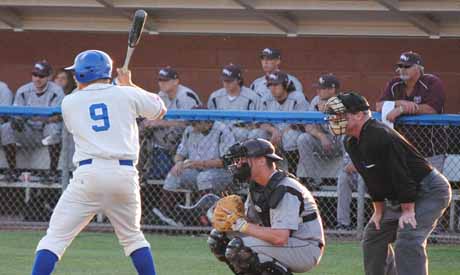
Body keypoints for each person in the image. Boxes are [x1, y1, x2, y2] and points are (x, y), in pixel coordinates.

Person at [30, 50, 166, 275]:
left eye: (77, 73)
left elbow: (95, 98)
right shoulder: (125, 94)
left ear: (83, 75)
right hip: (124, 175)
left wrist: (122, 88)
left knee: (54, 239)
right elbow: (159, 110)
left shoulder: (69, 102)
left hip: (89, 175)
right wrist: (129, 84)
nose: (75, 77)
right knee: (133, 239)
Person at [324, 92, 451, 275]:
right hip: (402, 193)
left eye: (340, 115)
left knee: (408, 238)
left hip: (428, 190)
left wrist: (408, 211)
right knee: (374, 236)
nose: (334, 119)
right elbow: (371, 177)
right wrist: (379, 211)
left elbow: (400, 174)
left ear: (359, 115)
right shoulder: (351, 141)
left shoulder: (379, 134)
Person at [208, 138, 324, 275]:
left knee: (240, 248)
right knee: (219, 238)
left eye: (243, 159)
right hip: (287, 242)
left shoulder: (285, 188)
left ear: (262, 160)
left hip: (305, 247)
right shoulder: (257, 185)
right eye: (237, 160)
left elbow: (280, 237)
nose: (238, 164)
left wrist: (240, 225)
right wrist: (229, 218)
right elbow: (250, 223)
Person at [153, 107, 236, 226]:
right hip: (196, 172)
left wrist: (198, 163)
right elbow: (179, 154)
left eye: (195, 123)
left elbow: (226, 161)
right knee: (174, 174)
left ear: (206, 122)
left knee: (204, 177)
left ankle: (204, 218)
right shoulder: (189, 130)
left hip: (222, 174)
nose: (192, 126)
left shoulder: (222, 130)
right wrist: (178, 163)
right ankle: (167, 214)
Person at [376, 51, 447, 172]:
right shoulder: (395, 84)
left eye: (407, 66)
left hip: (431, 150)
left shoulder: (432, 82)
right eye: (400, 66)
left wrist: (402, 110)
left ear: (418, 68)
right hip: (404, 149)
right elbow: (378, 106)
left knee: (431, 188)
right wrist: (399, 103)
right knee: (406, 188)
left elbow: (432, 109)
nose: (402, 69)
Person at [1, 60, 65, 182]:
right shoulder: (23, 90)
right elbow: (16, 115)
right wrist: (20, 120)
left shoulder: (56, 91)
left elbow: (57, 117)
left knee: (52, 127)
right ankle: (12, 171)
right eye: (35, 75)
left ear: (49, 77)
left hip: (45, 133)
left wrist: (32, 117)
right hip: (28, 132)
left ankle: (52, 172)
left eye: (41, 76)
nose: (37, 79)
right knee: (6, 128)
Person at [139, 67, 201, 180]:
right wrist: (148, 122)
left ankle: (155, 174)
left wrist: (159, 123)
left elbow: (190, 124)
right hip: (166, 137)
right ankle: (142, 174)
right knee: (143, 131)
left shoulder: (186, 96)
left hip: (187, 137)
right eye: (160, 80)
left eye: (165, 80)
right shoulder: (161, 95)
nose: (162, 83)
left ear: (176, 81)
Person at [258, 70, 309, 174]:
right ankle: (262, 173)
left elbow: (303, 123)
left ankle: (293, 173)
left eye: (276, 85)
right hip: (274, 136)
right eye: (270, 85)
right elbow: (260, 122)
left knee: (290, 136)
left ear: (285, 85)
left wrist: (284, 131)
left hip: (291, 135)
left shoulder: (297, 97)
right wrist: (273, 130)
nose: (272, 88)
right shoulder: (266, 98)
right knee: (258, 134)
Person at [296, 74, 343, 189]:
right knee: (303, 138)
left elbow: (344, 128)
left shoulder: (343, 101)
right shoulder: (316, 101)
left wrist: (329, 112)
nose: (318, 91)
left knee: (347, 138)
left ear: (332, 89)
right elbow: (307, 125)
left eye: (322, 88)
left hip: (340, 141)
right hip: (322, 141)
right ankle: (313, 181)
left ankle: (348, 180)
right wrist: (321, 136)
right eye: (318, 88)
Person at [208, 63, 262, 142]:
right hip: (220, 137)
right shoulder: (215, 97)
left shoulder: (252, 97)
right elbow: (209, 122)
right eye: (224, 80)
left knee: (258, 133)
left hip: (244, 137)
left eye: (230, 81)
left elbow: (259, 123)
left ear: (239, 80)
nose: (226, 83)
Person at [336, 151, 365, 230]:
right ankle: (343, 223)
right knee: (343, 177)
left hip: (371, 178)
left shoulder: (374, 141)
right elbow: (346, 167)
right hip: (355, 178)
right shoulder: (349, 142)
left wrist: (358, 166)